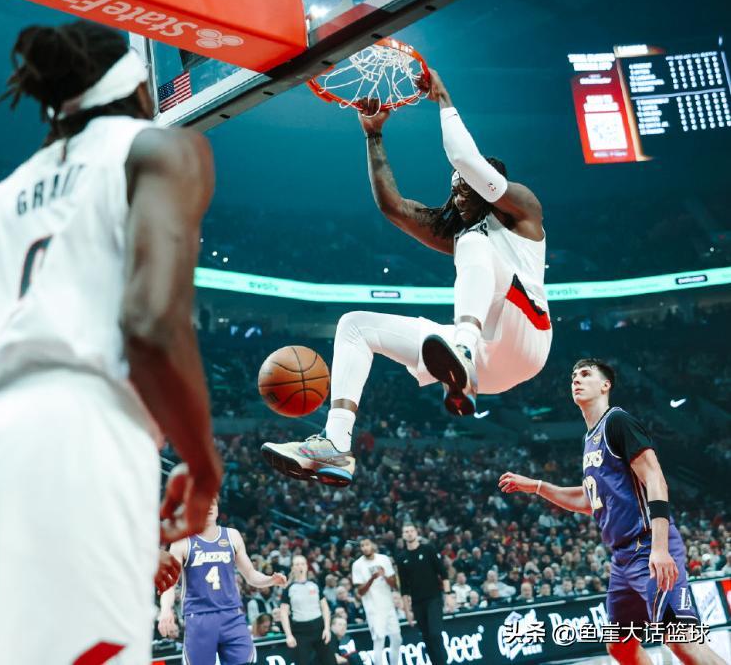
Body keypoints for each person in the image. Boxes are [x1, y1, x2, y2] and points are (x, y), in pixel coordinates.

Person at [0, 20, 222, 664]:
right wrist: (202, 465)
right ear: (141, 91)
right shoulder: (161, 149)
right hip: (76, 439)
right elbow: (151, 327)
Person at [262, 69, 551, 485]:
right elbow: (393, 207)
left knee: (472, 242)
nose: (457, 195)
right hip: (486, 365)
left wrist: (444, 99)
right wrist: (373, 136)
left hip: (527, 336)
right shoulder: (461, 230)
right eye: (454, 188)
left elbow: (465, 160)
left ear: (491, 188)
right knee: (354, 326)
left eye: (466, 188)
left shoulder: (523, 210)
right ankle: (335, 444)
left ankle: (463, 353)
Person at [499, 358, 724, 665]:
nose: (576, 379)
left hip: (648, 546)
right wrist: (538, 486)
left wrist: (659, 548)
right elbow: (588, 499)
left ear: (605, 385)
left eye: (585, 374)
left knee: (681, 640)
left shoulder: (617, 421)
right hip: (622, 559)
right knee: (620, 646)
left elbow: (655, 478)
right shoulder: (589, 440)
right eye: (573, 376)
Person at [157, 500, 287, 664]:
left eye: (213, 503)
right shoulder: (182, 541)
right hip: (199, 617)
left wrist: (270, 580)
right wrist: (165, 610)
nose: (209, 507)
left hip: (232, 614)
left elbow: (250, 575)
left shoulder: (232, 536)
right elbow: (169, 583)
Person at [395, 523, 449, 665]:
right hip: (417, 603)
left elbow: (443, 573)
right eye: (406, 531)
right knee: (427, 638)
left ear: (416, 532)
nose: (409, 533)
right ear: (403, 535)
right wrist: (407, 611)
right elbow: (404, 587)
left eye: (411, 530)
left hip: (434, 598)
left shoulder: (428, 549)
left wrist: (448, 595)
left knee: (435, 634)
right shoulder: (401, 558)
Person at [351, 538, 402, 665]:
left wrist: (384, 575)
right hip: (373, 608)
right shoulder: (357, 565)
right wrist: (372, 579)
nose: (365, 548)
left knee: (397, 638)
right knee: (379, 641)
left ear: (373, 545)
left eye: (367, 544)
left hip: (388, 606)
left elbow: (395, 585)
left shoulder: (384, 559)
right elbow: (360, 592)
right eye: (362, 546)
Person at [281, 555, 332, 665]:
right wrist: (288, 635)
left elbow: (325, 608)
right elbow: (283, 613)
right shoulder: (289, 589)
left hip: (319, 627)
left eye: (302, 564)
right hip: (300, 631)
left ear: (307, 566)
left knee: (329, 661)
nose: (300, 566)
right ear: (292, 568)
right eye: (297, 564)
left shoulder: (315, 584)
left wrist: (327, 629)